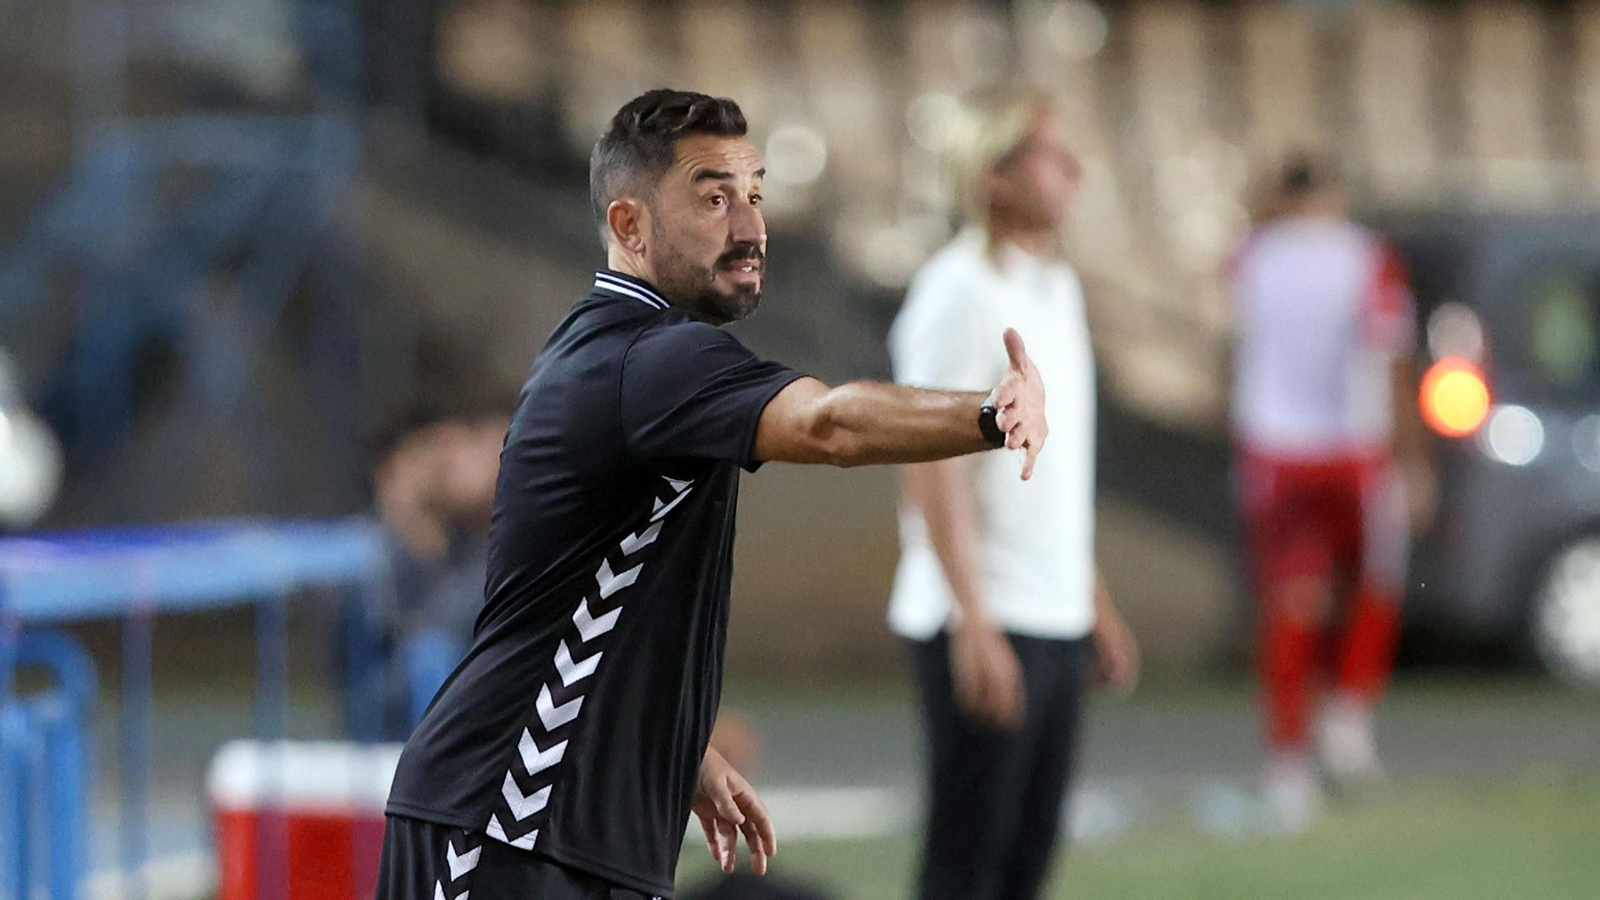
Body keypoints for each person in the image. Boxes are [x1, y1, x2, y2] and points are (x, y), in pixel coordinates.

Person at [377, 88, 1052, 900]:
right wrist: (988, 413)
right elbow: (831, 425)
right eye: (713, 198)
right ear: (630, 227)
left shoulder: (627, 358)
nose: (750, 226)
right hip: (506, 823)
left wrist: (678, 744)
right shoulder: (649, 360)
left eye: (755, 194)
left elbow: (567, 591)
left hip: (578, 833)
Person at [886, 89, 1140, 900]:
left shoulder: (1055, 289)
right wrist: (975, 618)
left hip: (1050, 611)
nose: (1071, 171)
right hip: (986, 612)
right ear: (992, 176)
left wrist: (1090, 599)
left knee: (1026, 864)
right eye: (1046, 154)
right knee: (966, 865)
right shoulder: (956, 289)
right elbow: (929, 462)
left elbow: (1054, 475)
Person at [1228, 155, 1433, 832]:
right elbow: (1391, 357)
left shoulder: (1256, 256)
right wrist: (1412, 457)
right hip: (1351, 449)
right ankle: (1347, 716)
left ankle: (1288, 763)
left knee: (1291, 602)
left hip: (1275, 450)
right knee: (1375, 582)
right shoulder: (1365, 257)